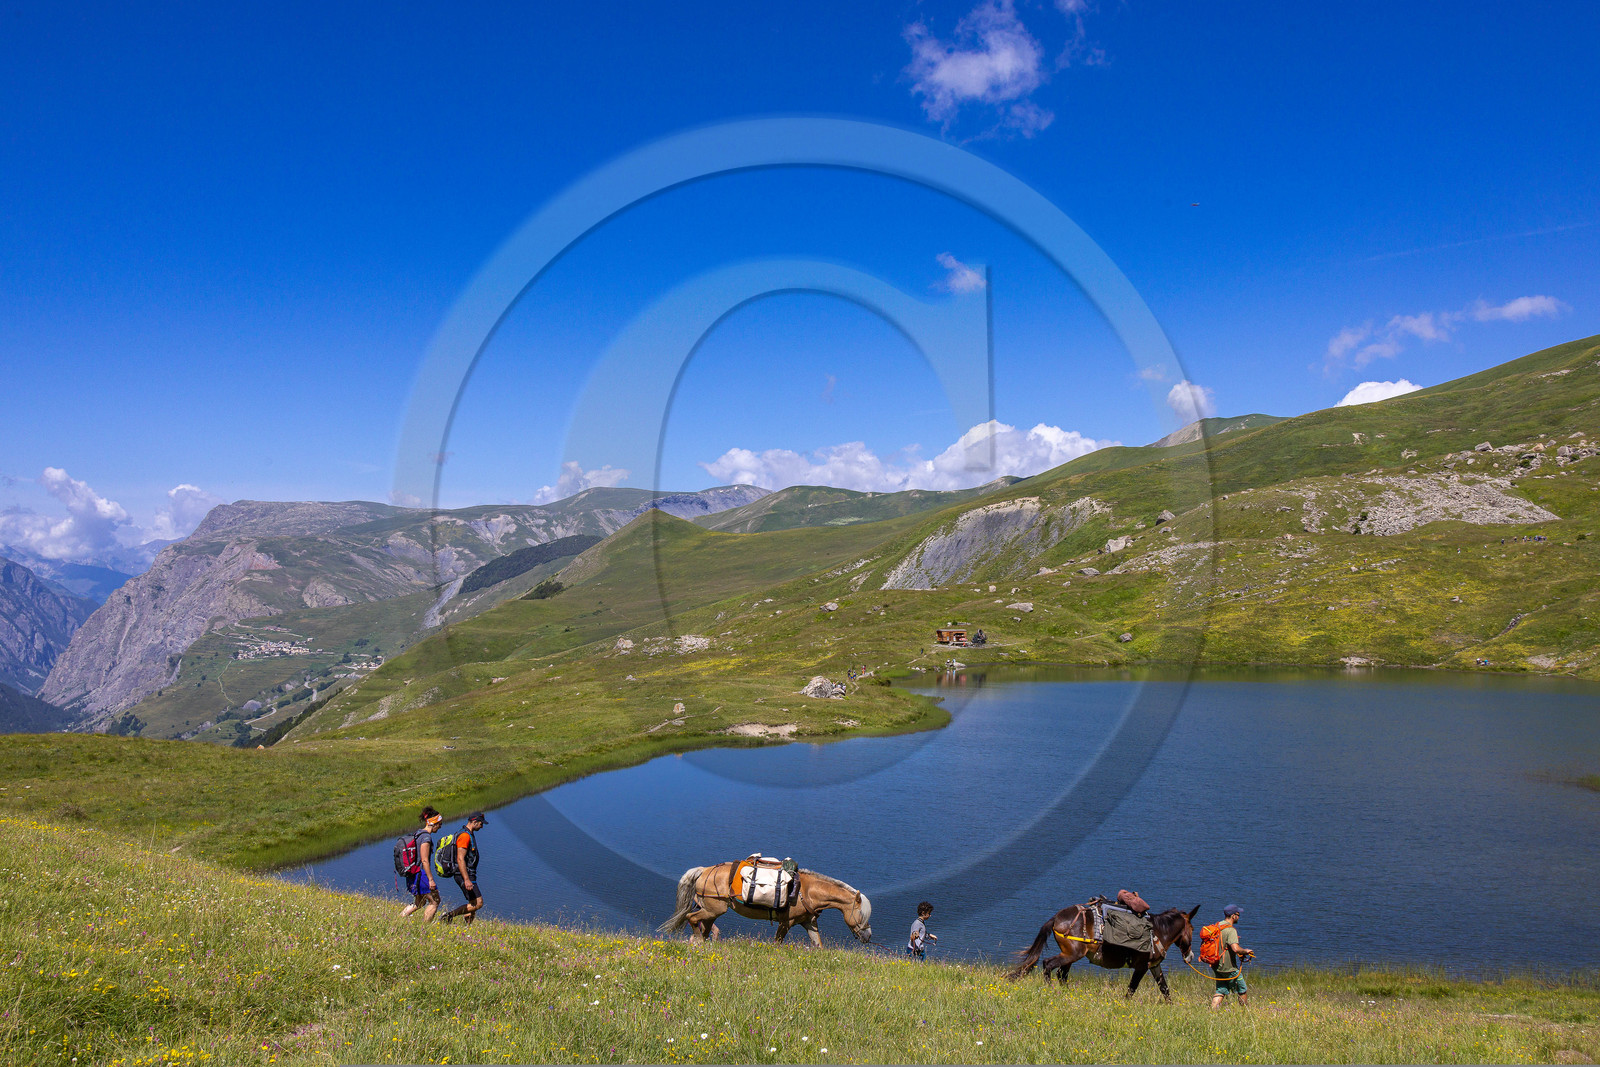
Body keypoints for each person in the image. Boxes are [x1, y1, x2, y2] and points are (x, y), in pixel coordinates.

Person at [440, 811, 487, 925]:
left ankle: (467, 927)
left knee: (472, 903)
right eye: (481, 824)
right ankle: (448, 916)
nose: (482, 826)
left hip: (468, 874)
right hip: (464, 875)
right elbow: (460, 859)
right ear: (474, 822)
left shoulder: (467, 833)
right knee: (478, 903)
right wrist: (466, 879)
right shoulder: (465, 836)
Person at [400, 807, 444, 922]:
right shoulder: (426, 838)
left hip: (413, 873)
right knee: (435, 901)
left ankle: (399, 919)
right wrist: (430, 880)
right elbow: (424, 860)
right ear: (433, 823)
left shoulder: (418, 833)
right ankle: (425, 928)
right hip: (421, 874)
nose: (440, 827)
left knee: (420, 902)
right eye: (439, 824)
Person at [1208, 905, 1254, 1008]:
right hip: (1229, 968)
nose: (1239, 916)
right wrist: (1246, 951)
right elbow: (1235, 948)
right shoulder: (1231, 930)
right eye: (1238, 914)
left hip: (1217, 966)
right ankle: (1245, 1013)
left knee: (1220, 990)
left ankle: (1212, 1012)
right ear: (1233, 916)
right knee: (1242, 989)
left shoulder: (1217, 926)